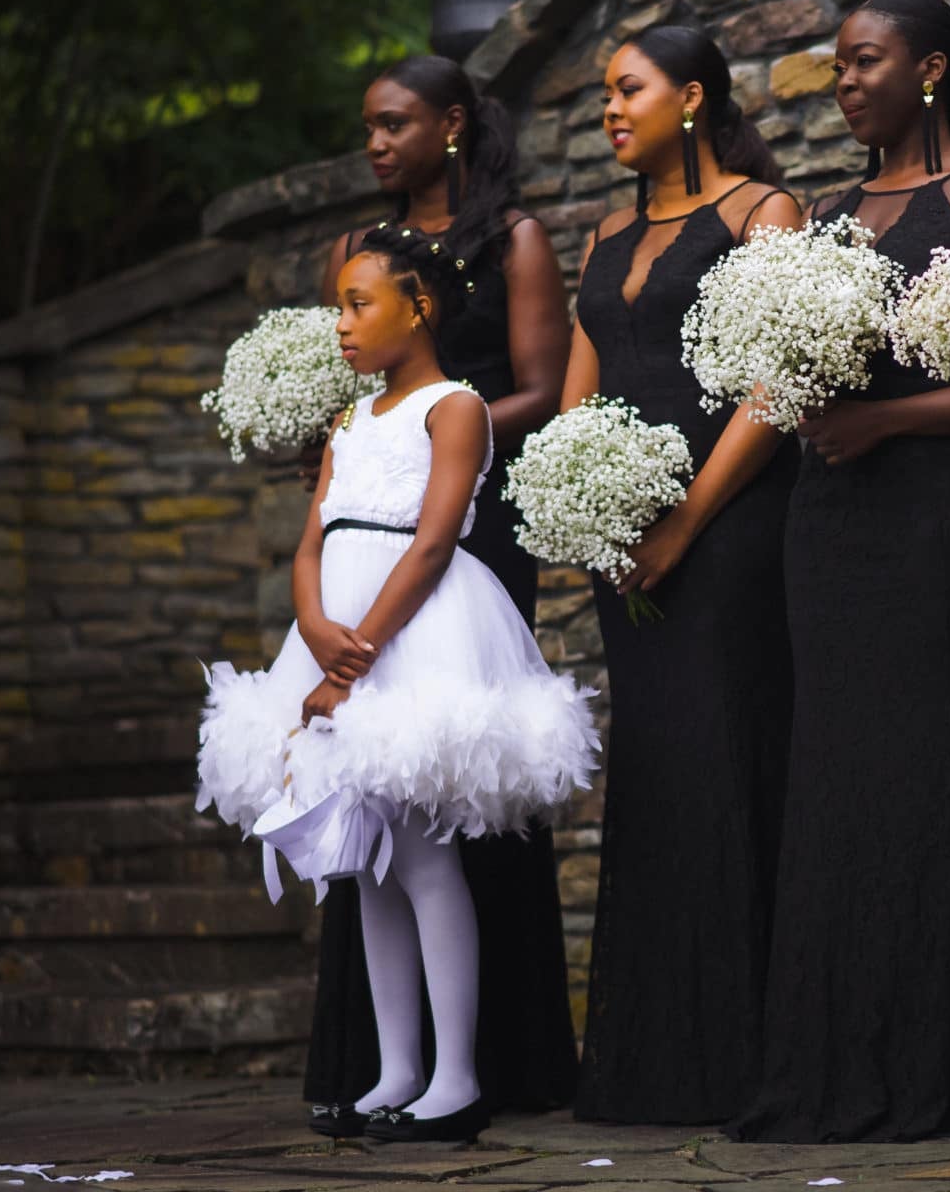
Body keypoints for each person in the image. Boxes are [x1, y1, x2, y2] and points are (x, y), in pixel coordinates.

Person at [197, 223, 596, 1142]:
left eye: (357, 304)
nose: (340, 324)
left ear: (418, 307)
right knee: (366, 868)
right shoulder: (347, 419)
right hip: (335, 633)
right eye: (340, 306)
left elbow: (432, 540)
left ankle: (456, 1077)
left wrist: (355, 657)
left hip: (410, 638)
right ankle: (395, 1068)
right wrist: (312, 629)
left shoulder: (454, 407)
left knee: (421, 858)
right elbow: (313, 540)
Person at [730, 0, 950, 1145]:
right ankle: (829, 1056)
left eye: (864, 62)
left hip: (936, 519)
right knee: (836, 774)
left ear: (931, 71)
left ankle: (936, 1060)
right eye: (838, 65)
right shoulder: (822, 212)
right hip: (829, 523)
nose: (843, 81)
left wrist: (883, 423)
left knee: (937, 764)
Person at [304, 55, 579, 1132]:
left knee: (451, 802)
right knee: (374, 826)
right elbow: (351, 384)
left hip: (458, 539)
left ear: (452, 123)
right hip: (363, 548)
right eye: (365, 125)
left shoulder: (509, 239)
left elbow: (544, 388)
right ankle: (387, 1063)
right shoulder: (355, 259)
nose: (373, 141)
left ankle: (481, 1064)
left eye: (393, 122)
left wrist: (434, 443)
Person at [565, 25, 802, 1125]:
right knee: (656, 776)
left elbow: (773, 387)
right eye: (605, 96)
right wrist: (590, 513)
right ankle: (654, 1061)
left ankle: (750, 1059)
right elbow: (579, 394)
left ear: (692, 97)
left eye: (628, 90)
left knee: (730, 764)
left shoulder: (764, 214)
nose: (610, 110)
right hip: (626, 546)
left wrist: (685, 524)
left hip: (734, 533)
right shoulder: (605, 234)